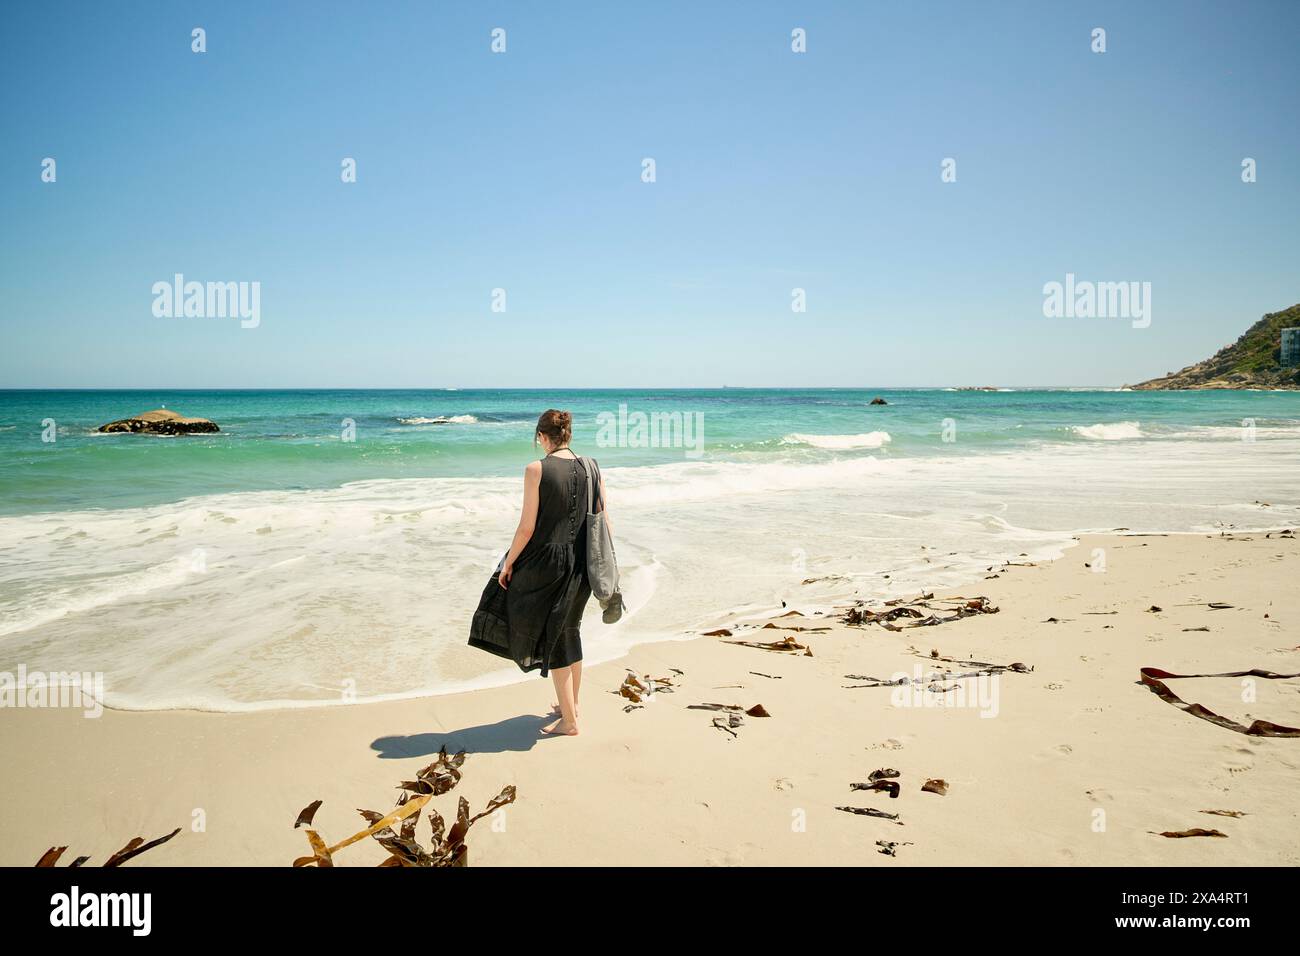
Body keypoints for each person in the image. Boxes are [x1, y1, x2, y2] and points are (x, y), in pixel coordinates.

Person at [479, 409, 610, 737]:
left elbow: (526, 528)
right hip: (584, 563)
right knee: (570, 631)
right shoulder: (592, 466)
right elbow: (604, 518)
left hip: (549, 564)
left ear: (541, 437)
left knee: (555, 639)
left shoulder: (536, 469)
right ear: (568, 434)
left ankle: (569, 722)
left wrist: (509, 562)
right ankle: (572, 706)